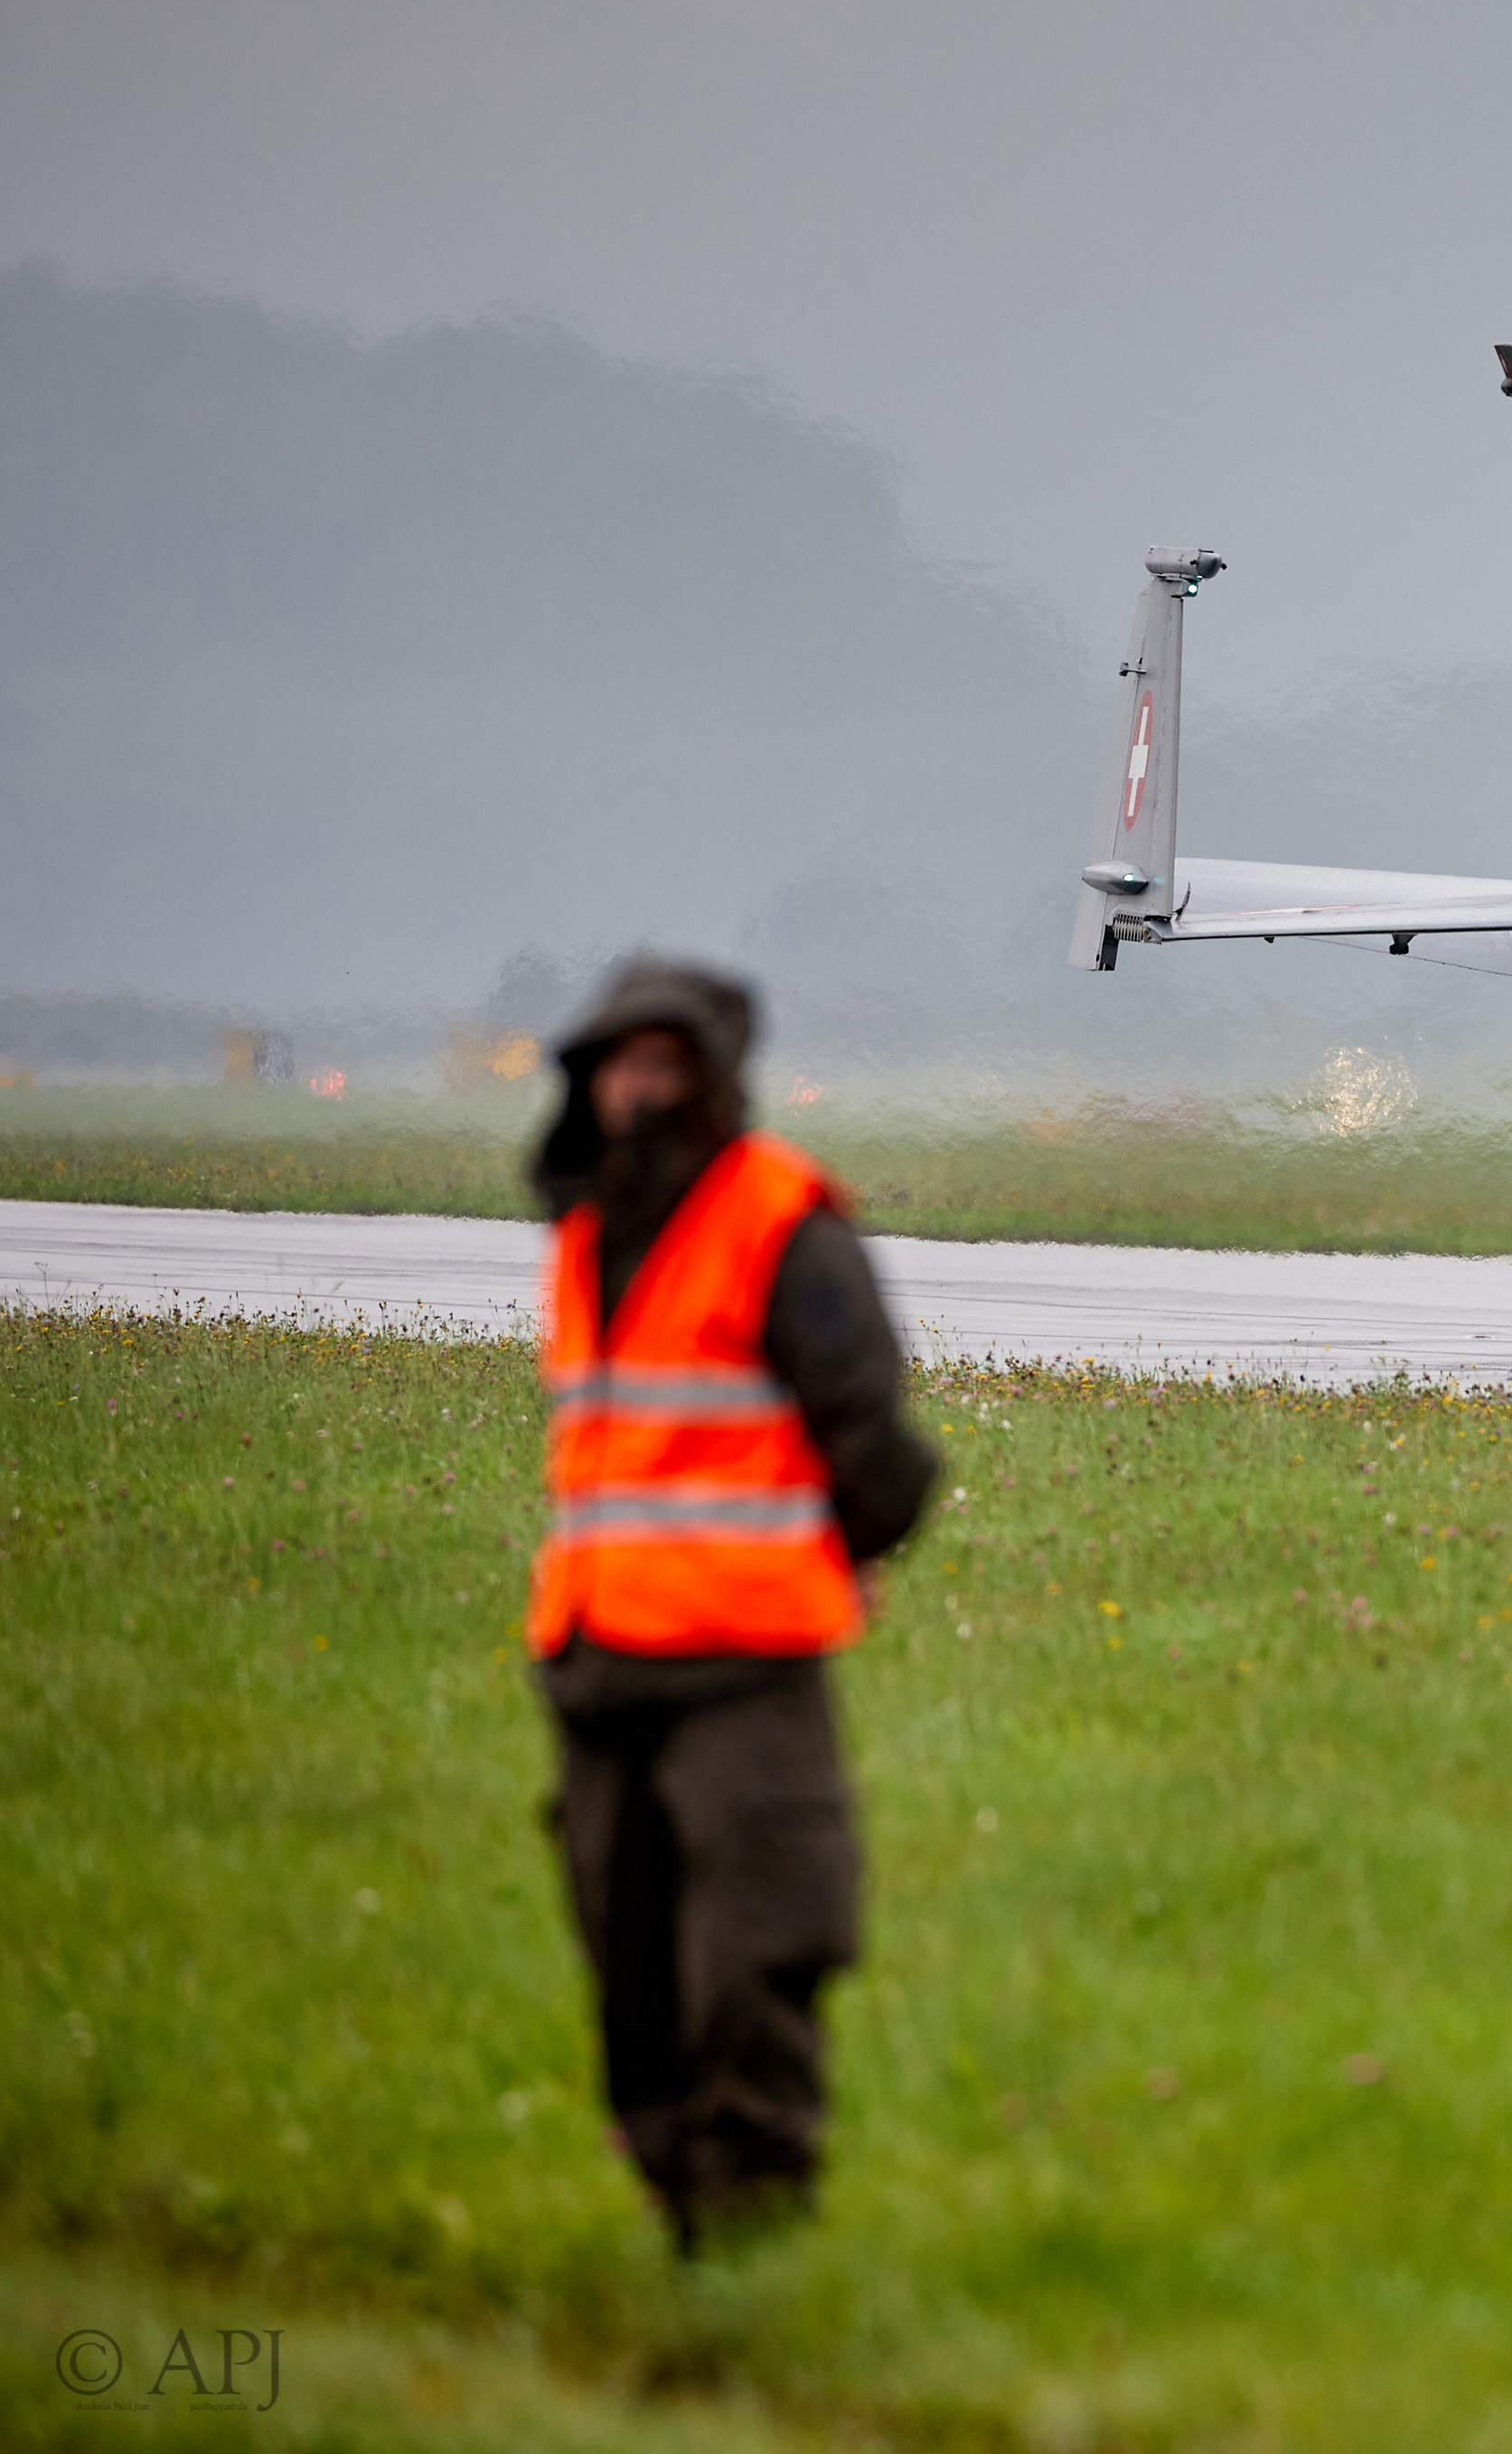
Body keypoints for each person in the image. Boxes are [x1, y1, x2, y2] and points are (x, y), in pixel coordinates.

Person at [522, 959, 936, 2253]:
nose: (638, 1091)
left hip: (744, 1661)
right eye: (617, 1065)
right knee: (627, 1949)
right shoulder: (588, 1237)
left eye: (663, 1065)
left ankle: (755, 2221)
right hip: (600, 1665)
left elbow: (872, 1432)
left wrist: (840, 1542)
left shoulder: (783, 1222)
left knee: (760, 1942)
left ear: (711, 1078)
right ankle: (675, 2199)